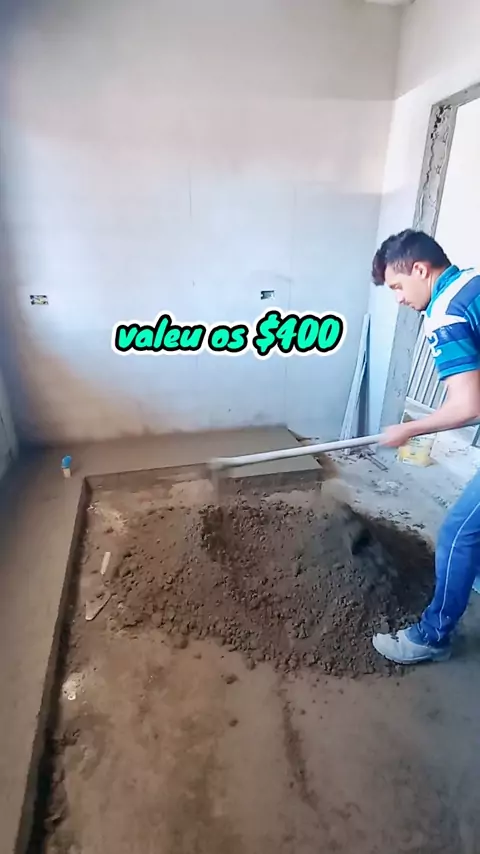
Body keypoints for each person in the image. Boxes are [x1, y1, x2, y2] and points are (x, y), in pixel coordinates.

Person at [371, 229, 480, 664]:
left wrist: (410, 429)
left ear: (421, 269)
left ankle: (432, 637)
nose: (398, 299)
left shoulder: (445, 313)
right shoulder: (472, 283)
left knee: (458, 532)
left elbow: (468, 406)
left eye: (397, 286)